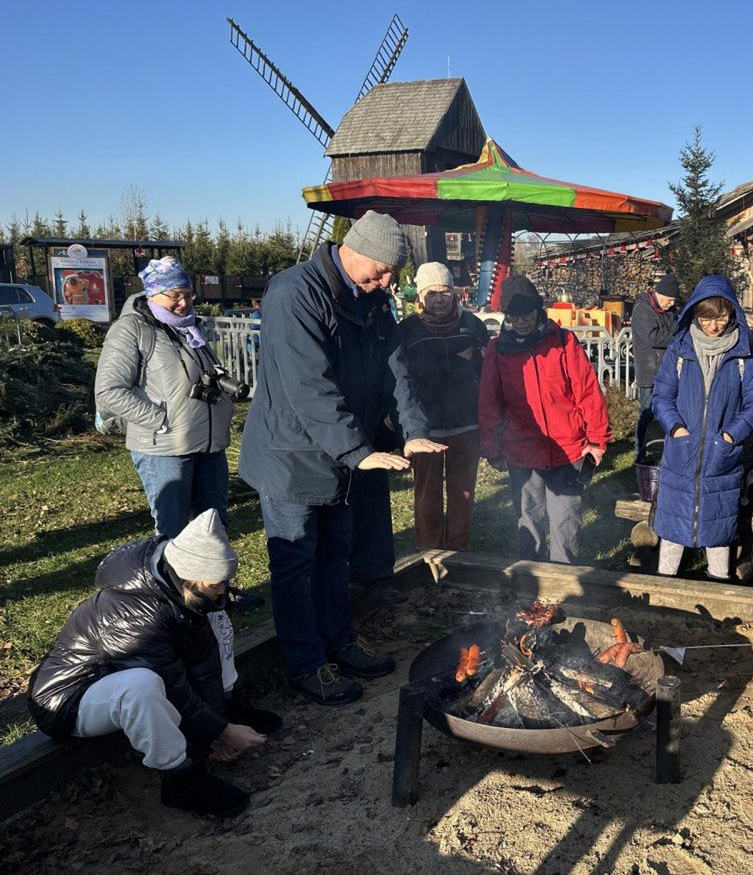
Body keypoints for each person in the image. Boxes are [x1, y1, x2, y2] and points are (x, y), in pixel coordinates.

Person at [239, 211, 444, 706]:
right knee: (294, 562)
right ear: (352, 248)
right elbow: (309, 386)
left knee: (335, 556)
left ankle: (340, 641)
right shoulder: (295, 293)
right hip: (292, 454)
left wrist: (413, 433)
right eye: (384, 268)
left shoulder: (373, 301)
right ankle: (307, 664)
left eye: (395, 272)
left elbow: (399, 374)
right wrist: (358, 450)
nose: (390, 281)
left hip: (341, 456)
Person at [27, 510, 281, 819]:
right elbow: (172, 690)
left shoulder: (176, 586)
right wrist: (219, 734)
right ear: (190, 577)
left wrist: (217, 724)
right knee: (141, 686)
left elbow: (202, 663)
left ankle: (230, 705)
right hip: (70, 698)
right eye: (218, 583)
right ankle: (182, 780)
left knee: (216, 613)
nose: (224, 589)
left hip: (121, 676)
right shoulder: (132, 616)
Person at [94, 258, 262, 611]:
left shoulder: (188, 329)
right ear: (154, 294)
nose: (184, 303)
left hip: (207, 444)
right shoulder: (132, 330)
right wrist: (161, 420)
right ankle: (171, 600)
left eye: (188, 294)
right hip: (164, 448)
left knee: (213, 523)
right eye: (175, 296)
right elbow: (109, 391)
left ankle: (216, 590)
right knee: (171, 529)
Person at [479, 274, 611, 564]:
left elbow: (587, 391)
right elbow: (490, 404)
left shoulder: (563, 341)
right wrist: (492, 449)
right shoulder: (497, 350)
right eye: (514, 315)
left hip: (567, 449)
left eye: (527, 313)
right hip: (521, 451)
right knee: (529, 520)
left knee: (566, 522)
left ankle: (566, 582)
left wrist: (597, 439)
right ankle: (531, 583)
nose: (522, 320)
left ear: (539, 310)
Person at [652, 274, 753, 581]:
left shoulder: (745, 355)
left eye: (721, 317)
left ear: (733, 313)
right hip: (681, 454)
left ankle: (719, 587)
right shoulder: (679, 350)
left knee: (719, 531)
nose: (714, 326)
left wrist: (729, 436)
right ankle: (664, 588)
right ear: (694, 313)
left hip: (722, 457)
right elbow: (662, 396)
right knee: (672, 531)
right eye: (706, 319)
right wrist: (677, 430)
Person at [398, 261, 491, 550]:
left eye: (444, 292)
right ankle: (430, 552)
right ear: (420, 297)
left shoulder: (472, 325)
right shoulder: (407, 330)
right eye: (431, 293)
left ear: (454, 294)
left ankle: (459, 552)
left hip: (466, 424)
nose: (439, 299)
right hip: (426, 428)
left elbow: (488, 372)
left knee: (463, 494)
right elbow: (401, 379)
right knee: (427, 496)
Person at [630, 271, 680, 460]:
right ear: (660, 295)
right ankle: (640, 452)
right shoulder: (642, 309)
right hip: (649, 370)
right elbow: (653, 337)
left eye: (674, 301)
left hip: (667, 369)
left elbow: (676, 328)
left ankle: (662, 449)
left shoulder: (670, 312)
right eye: (670, 300)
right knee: (647, 412)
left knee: (667, 411)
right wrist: (677, 339)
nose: (672, 304)